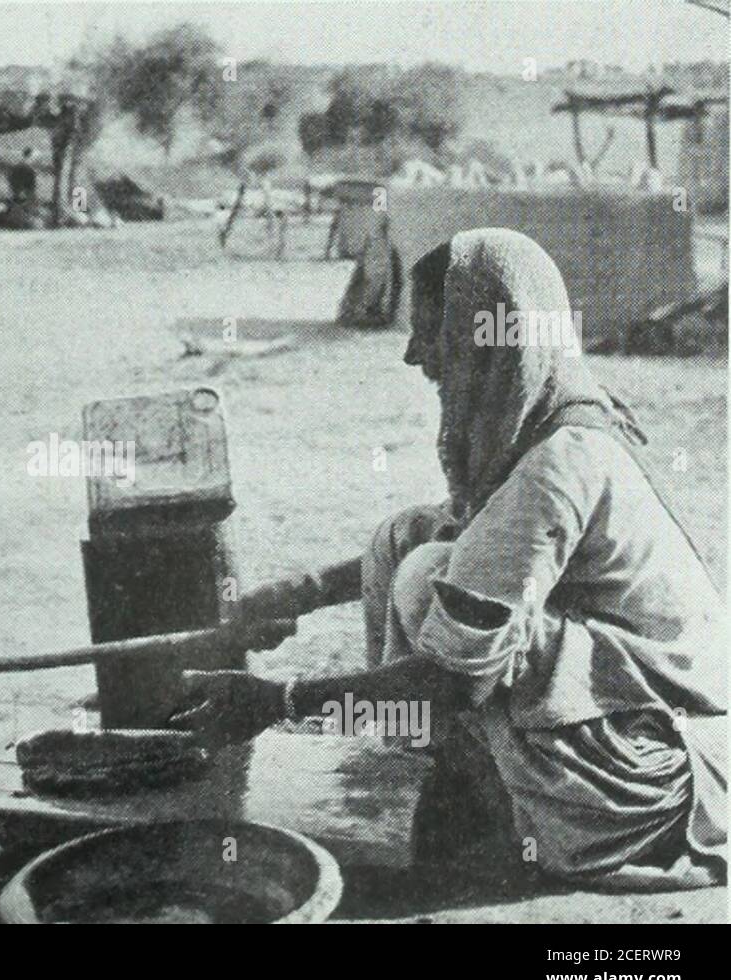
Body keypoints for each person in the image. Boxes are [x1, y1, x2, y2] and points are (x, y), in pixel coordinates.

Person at [175, 228, 727, 889]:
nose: (413, 355)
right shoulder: (549, 417)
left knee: (425, 581)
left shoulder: (558, 465)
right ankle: (443, 768)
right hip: (626, 715)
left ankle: (523, 818)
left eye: (431, 332)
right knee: (404, 539)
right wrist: (293, 592)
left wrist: (278, 699)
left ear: (491, 338)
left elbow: (456, 678)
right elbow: (464, 533)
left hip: (650, 770)